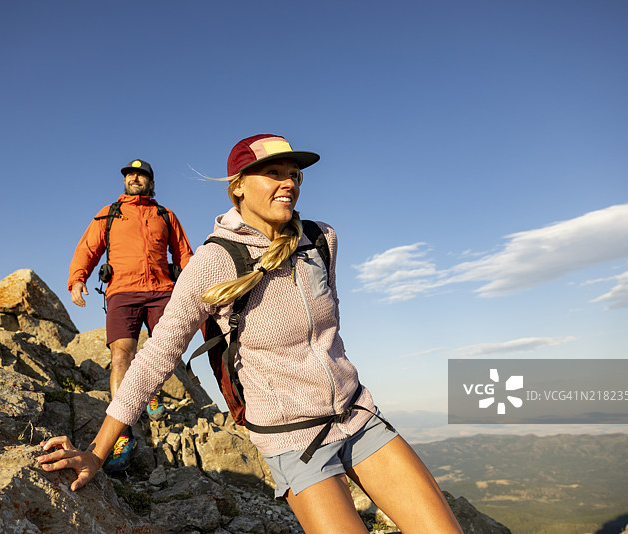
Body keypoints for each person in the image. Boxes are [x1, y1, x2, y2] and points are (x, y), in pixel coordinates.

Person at [44, 135, 462, 533]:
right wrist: (97, 453)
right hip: (293, 441)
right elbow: (155, 358)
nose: (288, 183)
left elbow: (326, 332)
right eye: (274, 173)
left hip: (358, 415)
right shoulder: (212, 263)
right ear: (238, 187)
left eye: (294, 174)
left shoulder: (320, 240)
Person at [67, 157, 194, 473]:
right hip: (123, 291)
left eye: (141, 175)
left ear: (151, 182)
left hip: (163, 291)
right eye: (130, 174)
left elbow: (184, 255)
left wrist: (198, 286)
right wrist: (77, 278)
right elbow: (88, 248)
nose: (135, 178)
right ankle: (123, 435)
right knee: (121, 356)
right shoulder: (110, 214)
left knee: (166, 351)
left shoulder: (165, 215)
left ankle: (149, 393)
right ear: (125, 180)